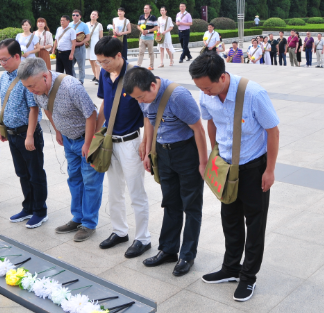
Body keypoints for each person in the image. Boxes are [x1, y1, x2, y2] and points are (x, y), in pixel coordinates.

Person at [189, 54, 279, 302]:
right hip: (225, 166)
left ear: (223, 77)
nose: (204, 93)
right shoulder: (206, 94)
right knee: (229, 219)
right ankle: (230, 268)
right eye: (200, 88)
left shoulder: (254, 94)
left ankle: (248, 277)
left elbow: (273, 132)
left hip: (253, 167)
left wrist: (270, 170)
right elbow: (211, 123)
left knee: (255, 224)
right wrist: (213, 156)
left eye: (207, 88)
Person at [123, 67, 207, 277]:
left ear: (153, 85)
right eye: (136, 99)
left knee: (191, 206)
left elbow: (198, 129)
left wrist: (203, 162)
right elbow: (149, 120)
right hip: (163, 152)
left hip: (186, 152)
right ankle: (168, 250)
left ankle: (187, 255)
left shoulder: (178, 96)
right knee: (170, 202)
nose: (140, 101)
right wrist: (148, 150)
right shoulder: (142, 95)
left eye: (141, 97)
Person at [19, 58, 102, 242]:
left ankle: (89, 223)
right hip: (69, 140)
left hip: (86, 139)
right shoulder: (37, 90)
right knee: (74, 179)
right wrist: (58, 130)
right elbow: (46, 108)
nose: (31, 90)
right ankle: (77, 218)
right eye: (27, 87)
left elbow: (91, 114)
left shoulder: (71, 87)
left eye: (32, 85)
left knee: (90, 182)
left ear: (45, 76)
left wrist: (88, 143)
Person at [95, 36, 151, 258]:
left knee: (136, 192)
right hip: (110, 141)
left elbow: (147, 111)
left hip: (131, 142)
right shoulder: (104, 74)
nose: (103, 66)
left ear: (119, 55)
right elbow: (104, 104)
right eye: (99, 62)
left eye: (106, 61)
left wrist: (146, 143)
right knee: (114, 190)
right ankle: (119, 231)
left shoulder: (135, 75)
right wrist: (95, 136)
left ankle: (143, 238)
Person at [0, 39, 47, 227]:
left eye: (5, 59)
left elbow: (34, 108)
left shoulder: (27, 77)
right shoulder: (4, 77)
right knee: (22, 173)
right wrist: (3, 127)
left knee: (35, 174)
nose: (2, 63)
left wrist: (30, 135)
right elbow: (5, 104)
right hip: (12, 134)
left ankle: (40, 211)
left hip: (27, 134)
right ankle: (28, 207)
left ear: (17, 56)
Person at [71, 10, 91, 84]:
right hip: (71, 49)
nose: (75, 16)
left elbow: (88, 37)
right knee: (70, 65)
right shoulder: (69, 24)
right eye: (73, 15)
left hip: (80, 48)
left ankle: (81, 81)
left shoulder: (84, 25)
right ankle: (73, 79)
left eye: (77, 15)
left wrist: (80, 43)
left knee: (81, 66)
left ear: (80, 16)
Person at [138, 5, 158, 70]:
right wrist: (142, 30)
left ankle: (151, 66)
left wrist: (148, 31)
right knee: (141, 52)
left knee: (151, 52)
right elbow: (138, 26)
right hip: (142, 38)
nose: (145, 9)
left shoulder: (153, 18)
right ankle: (138, 65)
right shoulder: (141, 17)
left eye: (146, 8)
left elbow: (156, 27)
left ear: (150, 10)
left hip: (150, 38)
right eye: (144, 8)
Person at [88, 11, 104, 84]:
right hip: (88, 45)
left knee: (96, 62)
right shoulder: (86, 24)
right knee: (91, 61)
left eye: (95, 14)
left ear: (97, 17)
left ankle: (98, 78)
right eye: (92, 14)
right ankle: (95, 75)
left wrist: (101, 45)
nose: (93, 15)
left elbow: (101, 37)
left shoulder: (99, 25)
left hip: (96, 44)